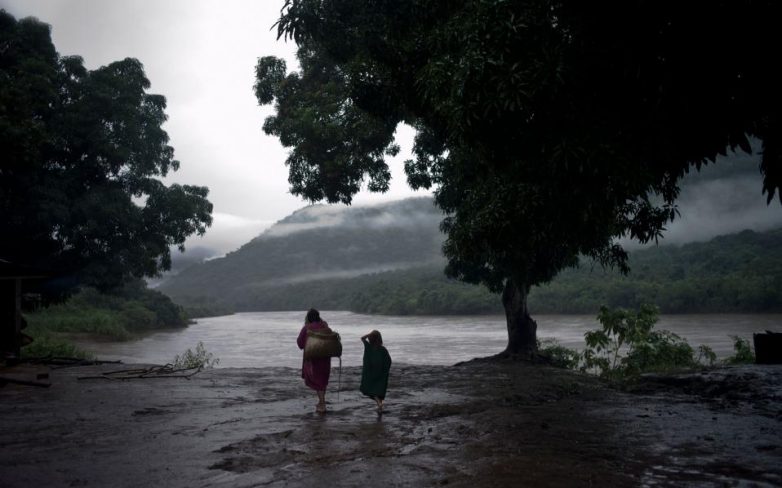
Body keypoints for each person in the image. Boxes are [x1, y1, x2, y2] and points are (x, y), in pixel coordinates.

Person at [296, 308, 332, 413]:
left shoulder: (307, 328)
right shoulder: (325, 326)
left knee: (317, 381)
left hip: (312, 359)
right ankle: (321, 402)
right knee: (323, 380)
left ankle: (322, 404)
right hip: (325, 358)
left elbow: (300, 344)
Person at [360, 330, 392, 414]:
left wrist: (369, 334)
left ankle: (379, 405)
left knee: (370, 389)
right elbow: (389, 361)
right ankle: (380, 406)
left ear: (370, 339)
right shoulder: (383, 349)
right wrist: (385, 370)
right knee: (380, 390)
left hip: (371, 372)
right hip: (381, 373)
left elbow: (362, 338)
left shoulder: (369, 347)